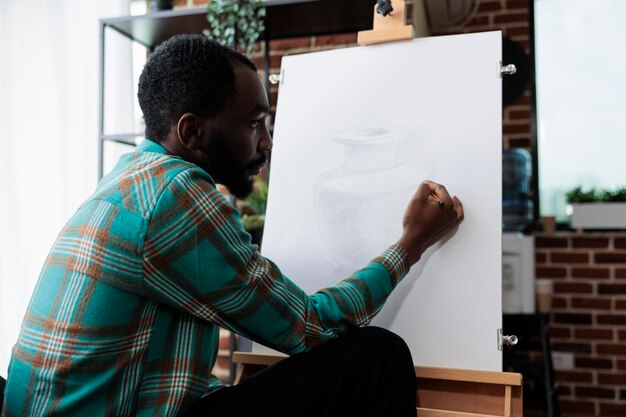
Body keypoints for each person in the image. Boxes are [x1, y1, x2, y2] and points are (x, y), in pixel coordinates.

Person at [1, 34, 463, 417]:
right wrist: (411, 242)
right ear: (193, 132)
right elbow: (308, 327)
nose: (267, 142)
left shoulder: (132, 175)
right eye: (254, 124)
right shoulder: (175, 195)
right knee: (378, 357)